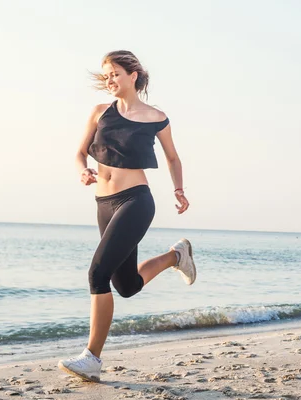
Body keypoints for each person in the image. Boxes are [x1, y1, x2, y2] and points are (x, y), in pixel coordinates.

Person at [57, 50, 197, 383]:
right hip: (104, 203)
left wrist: (178, 190)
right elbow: (79, 153)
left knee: (97, 273)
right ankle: (177, 256)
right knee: (127, 285)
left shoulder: (155, 116)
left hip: (136, 201)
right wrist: (83, 171)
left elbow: (173, 158)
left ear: (133, 75)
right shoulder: (99, 113)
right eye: (106, 75)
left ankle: (91, 358)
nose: (110, 80)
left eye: (115, 73)